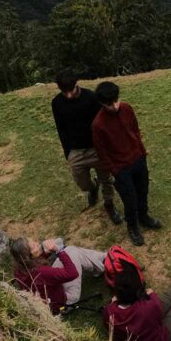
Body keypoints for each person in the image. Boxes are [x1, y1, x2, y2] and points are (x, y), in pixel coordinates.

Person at [92, 81, 162, 246]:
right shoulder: (98, 125)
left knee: (143, 190)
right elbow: (102, 153)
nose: (115, 106)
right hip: (121, 168)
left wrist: (142, 151)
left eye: (116, 100)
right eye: (110, 104)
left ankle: (144, 217)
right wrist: (114, 169)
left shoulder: (127, 108)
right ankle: (132, 227)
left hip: (138, 158)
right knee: (129, 199)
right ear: (102, 104)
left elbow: (135, 129)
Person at [51, 69, 122, 225]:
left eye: (71, 90)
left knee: (107, 180)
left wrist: (107, 148)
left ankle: (109, 204)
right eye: (64, 91)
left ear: (77, 84)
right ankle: (92, 188)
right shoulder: (57, 103)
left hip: (96, 148)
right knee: (82, 182)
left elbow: (103, 124)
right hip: (76, 151)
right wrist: (67, 152)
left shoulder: (91, 98)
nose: (68, 95)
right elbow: (60, 128)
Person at [10, 237, 80, 314]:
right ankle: (95, 261)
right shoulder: (42, 272)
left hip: (48, 303)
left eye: (35, 241)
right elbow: (73, 273)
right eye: (34, 246)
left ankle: (95, 260)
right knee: (72, 250)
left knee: (69, 249)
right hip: (63, 303)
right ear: (29, 256)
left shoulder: (19, 269)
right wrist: (59, 251)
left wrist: (45, 253)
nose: (38, 243)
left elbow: (34, 263)